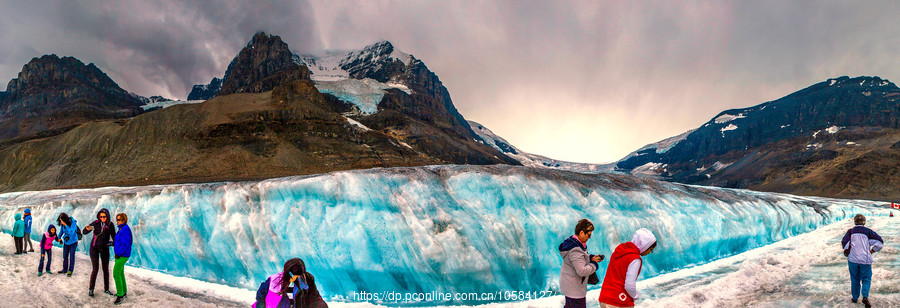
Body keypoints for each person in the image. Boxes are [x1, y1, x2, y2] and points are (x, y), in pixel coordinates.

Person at [598, 228, 657, 308]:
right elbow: (629, 286)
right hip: (619, 301)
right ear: (644, 245)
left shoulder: (619, 251)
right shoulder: (635, 259)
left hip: (604, 298)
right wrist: (635, 296)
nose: (649, 252)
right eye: (650, 249)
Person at [559, 219, 604, 308]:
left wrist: (591, 257)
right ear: (581, 232)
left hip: (570, 285)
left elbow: (579, 258)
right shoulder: (575, 249)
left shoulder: (575, 243)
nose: (589, 238)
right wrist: (594, 264)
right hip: (574, 290)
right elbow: (582, 271)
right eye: (589, 235)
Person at [841, 214, 884, 308]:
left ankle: (855, 298)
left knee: (854, 279)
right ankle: (865, 297)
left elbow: (845, 244)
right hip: (865, 260)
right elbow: (880, 243)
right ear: (864, 222)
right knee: (866, 279)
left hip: (852, 260)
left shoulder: (850, 232)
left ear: (854, 222)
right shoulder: (868, 232)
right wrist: (872, 251)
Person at [253, 258, 328, 308]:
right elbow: (261, 295)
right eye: (293, 275)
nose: (296, 278)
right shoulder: (273, 280)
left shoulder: (307, 279)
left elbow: (315, 298)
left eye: (298, 276)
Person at [83, 208, 116, 297]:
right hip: (94, 248)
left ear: (107, 216)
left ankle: (106, 289)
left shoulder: (110, 225)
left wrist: (113, 244)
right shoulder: (95, 223)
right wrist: (86, 229)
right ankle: (91, 289)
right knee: (95, 269)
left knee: (105, 269)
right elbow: (84, 232)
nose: (102, 218)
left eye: (104, 216)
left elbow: (114, 237)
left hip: (104, 248)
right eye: (101, 216)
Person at [113, 213, 133, 305]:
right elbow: (120, 241)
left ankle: (120, 295)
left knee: (116, 274)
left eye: (118, 220)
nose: (117, 221)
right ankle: (124, 292)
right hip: (121, 254)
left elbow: (125, 243)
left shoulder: (124, 229)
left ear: (123, 220)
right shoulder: (121, 228)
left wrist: (119, 253)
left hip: (122, 255)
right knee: (120, 273)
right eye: (116, 219)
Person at [57, 212, 80, 277]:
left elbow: (71, 232)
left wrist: (66, 225)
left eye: (61, 220)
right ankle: (64, 269)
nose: (61, 221)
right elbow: (61, 231)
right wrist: (59, 238)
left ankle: (70, 270)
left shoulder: (73, 223)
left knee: (72, 256)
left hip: (73, 242)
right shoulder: (63, 225)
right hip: (66, 242)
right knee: (65, 256)